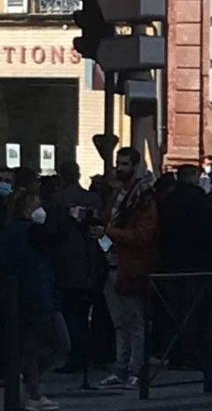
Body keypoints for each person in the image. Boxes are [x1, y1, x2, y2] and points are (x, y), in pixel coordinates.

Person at [0, 183, 71, 411]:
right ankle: (23, 381)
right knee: (60, 343)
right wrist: (68, 218)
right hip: (40, 297)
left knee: (29, 346)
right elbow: (56, 237)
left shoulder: (8, 232)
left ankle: (32, 390)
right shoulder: (31, 231)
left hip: (18, 298)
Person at [99, 147, 158, 389]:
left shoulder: (143, 196)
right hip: (114, 262)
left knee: (134, 322)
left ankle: (135, 369)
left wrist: (109, 232)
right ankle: (122, 368)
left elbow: (143, 234)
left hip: (131, 264)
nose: (119, 168)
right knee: (120, 322)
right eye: (118, 163)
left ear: (135, 166)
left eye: (124, 164)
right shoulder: (119, 194)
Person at [154, 164, 212, 369]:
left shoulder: (167, 201)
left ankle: (175, 355)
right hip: (197, 264)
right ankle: (194, 356)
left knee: (174, 311)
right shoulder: (201, 200)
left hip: (171, 263)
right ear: (191, 177)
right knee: (194, 312)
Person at [45, 161, 106, 375]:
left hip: (65, 261)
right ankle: (89, 352)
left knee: (71, 312)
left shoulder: (56, 200)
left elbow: (51, 232)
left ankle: (75, 355)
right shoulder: (93, 199)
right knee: (85, 311)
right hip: (91, 260)